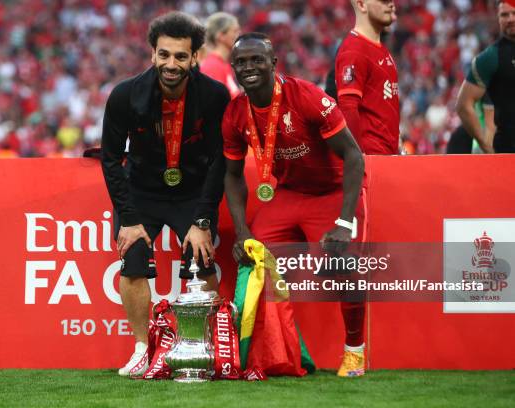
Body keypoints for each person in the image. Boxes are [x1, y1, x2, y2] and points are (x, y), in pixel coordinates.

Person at [222, 33, 367, 377]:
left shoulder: (307, 97)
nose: (249, 68)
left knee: (343, 268)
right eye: (241, 63)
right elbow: (231, 175)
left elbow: (354, 157)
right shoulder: (235, 112)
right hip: (288, 193)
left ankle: (355, 351)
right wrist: (241, 231)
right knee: (253, 255)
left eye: (257, 60)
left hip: (330, 193)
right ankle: (267, 351)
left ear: (273, 63)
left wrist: (344, 223)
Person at [100, 11, 230, 377]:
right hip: (142, 192)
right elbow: (111, 160)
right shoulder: (125, 95)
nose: (171, 64)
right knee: (134, 259)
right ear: (153, 52)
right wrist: (128, 219)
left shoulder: (215, 96)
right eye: (164, 55)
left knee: (202, 259)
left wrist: (203, 219)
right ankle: (142, 348)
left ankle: (207, 348)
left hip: (192, 192)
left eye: (180, 56)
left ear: (194, 57)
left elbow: (221, 161)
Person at [334, 0, 399, 155]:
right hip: (371, 159)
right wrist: (357, 157)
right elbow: (348, 106)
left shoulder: (381, 49)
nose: (391, 5)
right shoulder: (354, 49)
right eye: (384, 1)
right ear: (361, 4)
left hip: (387, 156)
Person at [456, 0, 515, 153]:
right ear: (498, 18)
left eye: (514, 13)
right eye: (504, 15)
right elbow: (463, 105)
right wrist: (486, 146)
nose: (510, 19)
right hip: (507, 153)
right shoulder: (490, 57)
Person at [200, 12, 241, 99]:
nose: (238, 35)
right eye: (235, 31)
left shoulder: (223, 64)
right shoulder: (213, 66)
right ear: (221, 36)